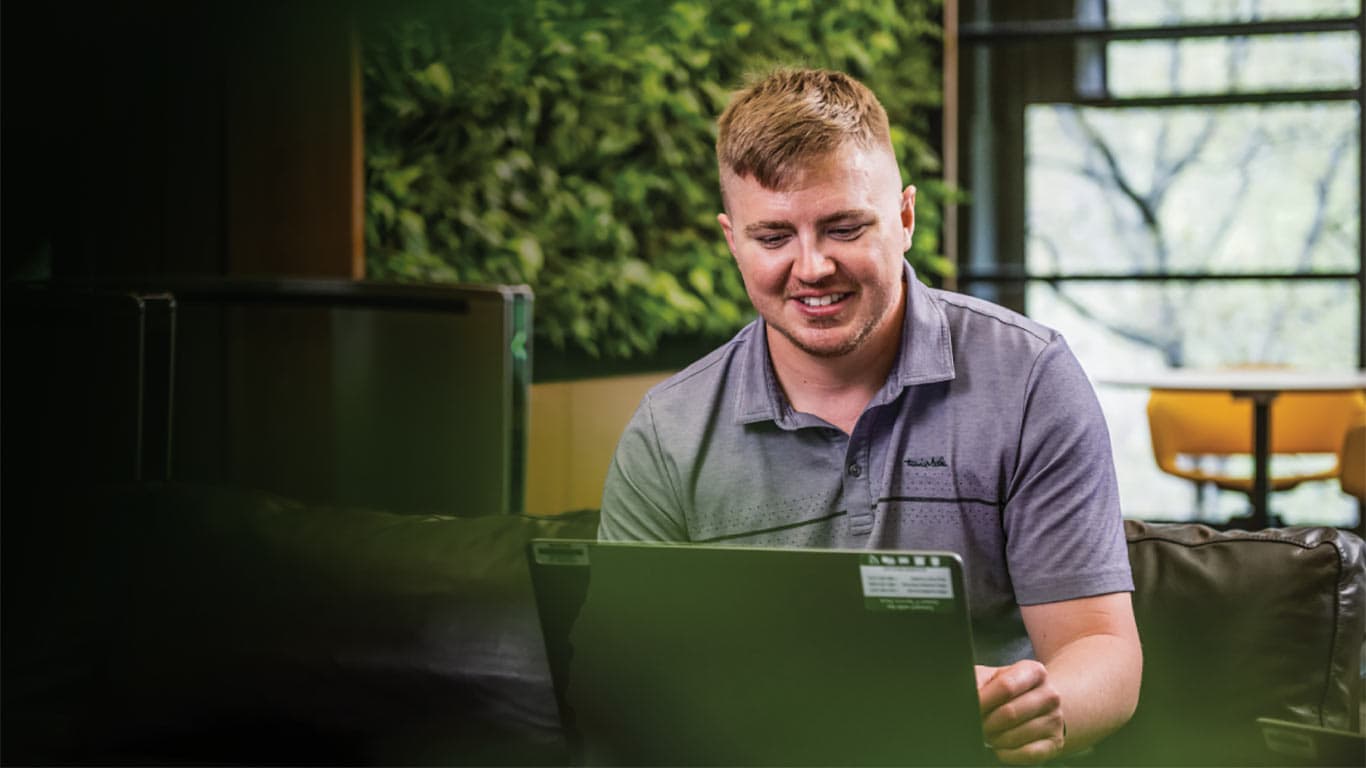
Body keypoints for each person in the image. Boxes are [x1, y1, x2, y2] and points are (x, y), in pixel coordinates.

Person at [598, 67, 1141, 765]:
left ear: (906, 218)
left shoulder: (1029, 378)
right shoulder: (669, 431)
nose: (813, 266)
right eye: (773, 238)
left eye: (845, 226)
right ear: (733, 240)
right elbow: (621, 679)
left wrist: (1044, 708)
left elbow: (1101, 648)